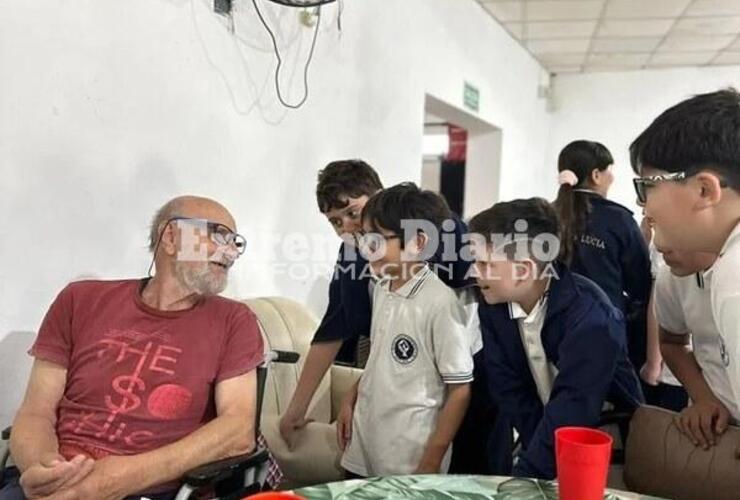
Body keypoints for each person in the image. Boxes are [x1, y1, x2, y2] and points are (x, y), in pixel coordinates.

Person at [3, 196, 271, 500]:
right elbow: (36, 410)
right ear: (170, 237)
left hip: (155, 490)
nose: (232, 251)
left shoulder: (234, 321)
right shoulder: (80, 300)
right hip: (54, 482)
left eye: (235, 242)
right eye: (219, 235)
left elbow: (237, 432)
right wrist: (42, 470)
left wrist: (124, 478)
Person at [278, 160, 484, 471]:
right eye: (336, 222)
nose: (348, 227)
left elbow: (486, 291)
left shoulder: (437, 229)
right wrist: (305, 405)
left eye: (353, 213)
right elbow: (336, 325)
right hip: (400, 390)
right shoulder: (355, 256)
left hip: (461, 373)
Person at [470, 198, 643, 479]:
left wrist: (528, 475)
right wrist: (534, 459)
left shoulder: (591, 318)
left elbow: (575, 406)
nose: (474, 272)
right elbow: (509, 388)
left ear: (524, 269)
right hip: (545, 433)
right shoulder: (494, 304)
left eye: (484, 263)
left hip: (604, 440)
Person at [337, 183, 478, 477]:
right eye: (364, 238)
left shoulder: (440, 303)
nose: (366, 250)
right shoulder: (380, 287)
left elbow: (460, 390)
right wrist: (352, 394)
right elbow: (380, 356)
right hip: (366, 442)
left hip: (410, 457)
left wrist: (432, 459)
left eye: (376, 240)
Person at [630, 88, 740, 446]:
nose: (643, 207)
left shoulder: (734, 274)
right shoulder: (720, 264)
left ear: (705, 191)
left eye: (647, 187)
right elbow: (672, 340)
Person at [553, 140, 651, 372]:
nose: (612, 177)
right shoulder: (618, 220)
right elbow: (640, 285)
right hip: (602, 332)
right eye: (609, 170)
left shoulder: (544, 215)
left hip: (550, 330)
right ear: (596, 175)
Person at [654, 247, 738, 448]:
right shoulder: (675, 272)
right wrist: (704, 399)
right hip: (714, 429)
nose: (658, 242)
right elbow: (671, 342)